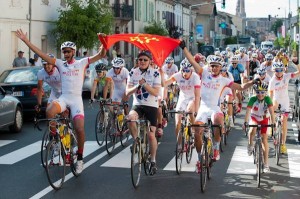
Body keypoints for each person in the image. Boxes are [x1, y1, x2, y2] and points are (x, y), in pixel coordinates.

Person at [15, 29, 107, 174]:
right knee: (50, 110)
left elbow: (101, 54)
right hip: (64, 98)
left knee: (80, 129)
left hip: (76, 100)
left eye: (68, 51)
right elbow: (42, 54)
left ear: (74, 52)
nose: (66, 54)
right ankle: (56, 138)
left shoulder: (82, 62)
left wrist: (103, 42)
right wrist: (26, 41)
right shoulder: (59, 63)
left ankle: (81, 158)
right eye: (64, 51)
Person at [180, 40, 255, 172]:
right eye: (212, 66)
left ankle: (215, 147)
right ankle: (199, 158)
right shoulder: (204, 73)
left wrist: (253, 81)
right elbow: (192, 61)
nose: (214, 68)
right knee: (197, 131)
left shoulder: (224, 80)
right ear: (209, 66)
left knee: (217, 119)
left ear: (220, 67)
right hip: (203, 107)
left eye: (216, 66)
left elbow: (241, 87)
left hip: (215, 107)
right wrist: (184, 47)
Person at [126, 50, 161, 175]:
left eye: (145, 60)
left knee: (151, 135)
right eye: (140, 59)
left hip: (151, 106)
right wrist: (136, 87)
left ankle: (152, 161)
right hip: (138, 105)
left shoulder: (155, 73)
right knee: (130, 119)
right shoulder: (132, 72)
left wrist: (144, 84)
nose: (142, 62)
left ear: (150, 61)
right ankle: (137, 142)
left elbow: (156, 92)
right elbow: (127, 92)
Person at [164, 58, 200, 143]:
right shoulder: (178, 75)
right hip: (183, 97)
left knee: (190, 111)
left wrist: (197, 110)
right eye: (183, 70)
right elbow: (165, 83)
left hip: (193, 97)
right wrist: (161, 74)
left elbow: (197, 95)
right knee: (177, 122)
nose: (185, 73)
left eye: (187, 71)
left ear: (191, 70)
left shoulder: (195, 77)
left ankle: (194, 130)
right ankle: (179, 144)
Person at [268, 62, 300, 154]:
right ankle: (272, 125)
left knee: (284, 122)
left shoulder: (286, 76)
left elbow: (299, 72)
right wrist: (270, 107)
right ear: (274, 71)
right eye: (277, 70)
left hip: (285, 102)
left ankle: (283, 144)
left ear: (283, 70)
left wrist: (297, 63)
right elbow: (270, 95)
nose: (279, 72)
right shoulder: (272, 81)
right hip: (276, 100)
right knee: (273, 107)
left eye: (280, 70)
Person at [243, 82, 275, 173]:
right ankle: (250, 145)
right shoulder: (253, 99)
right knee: (252, 129)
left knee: (264, 139)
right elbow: (248, 111)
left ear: (265, 92)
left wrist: (273, 123)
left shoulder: (268, 99)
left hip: (264, 119)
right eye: (258, 92)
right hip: (254, 117)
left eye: (262, 92)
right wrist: (245, 122)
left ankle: (266, 164)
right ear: (255, 92)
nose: (260, 94)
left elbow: (272, 112)